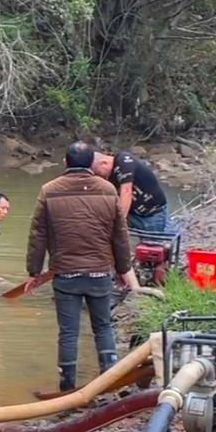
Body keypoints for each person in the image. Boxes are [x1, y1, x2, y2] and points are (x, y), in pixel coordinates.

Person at [26, 142, 136, 392]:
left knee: (68, 332)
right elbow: (120, 235)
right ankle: (109, 381)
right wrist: (122, 269)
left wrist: (34, 272)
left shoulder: (48, 191)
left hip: (66, 275)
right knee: (103, 326)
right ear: (90, 165)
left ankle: (67, 386)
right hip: (99, 273)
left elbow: (38, 235)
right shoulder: (108, 190)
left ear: (65, 163)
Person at [92, 149, 171, 236]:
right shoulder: (109, 177)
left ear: (104, 163)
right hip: (133, 216)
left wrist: (119, 223)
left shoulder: (124, 160)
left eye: (98, 172)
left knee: (152, 246)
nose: (99, 176)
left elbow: (126, 191)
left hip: (152, 215)